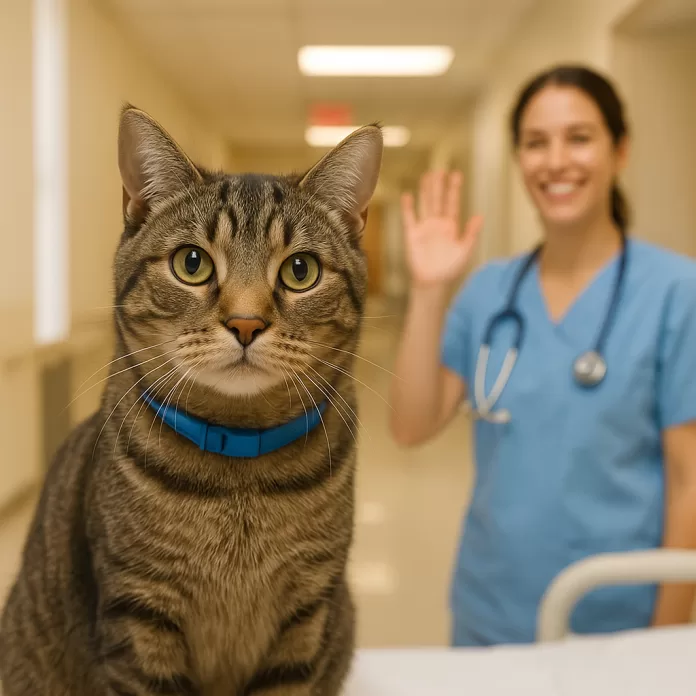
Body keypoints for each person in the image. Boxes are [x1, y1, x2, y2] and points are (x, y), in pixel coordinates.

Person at [390, 64, 696, 647]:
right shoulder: (489, 292)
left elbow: (691, 481)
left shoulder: (677, 293)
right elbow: (409, 426)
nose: (556, 161)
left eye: (579, 138)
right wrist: (429, 289)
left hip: (620, 622)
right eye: (536, 143)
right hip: (490, 610)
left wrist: (666, 638)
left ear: (620, 150)